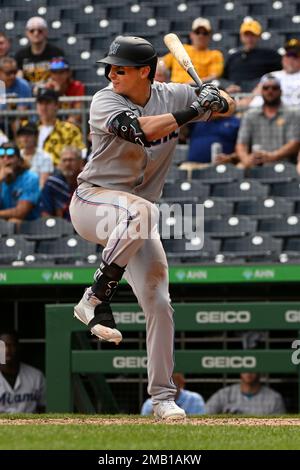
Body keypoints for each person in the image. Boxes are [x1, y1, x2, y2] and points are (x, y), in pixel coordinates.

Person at [69, 35, 235, 420]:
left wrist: (215, 96)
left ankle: (162, 399)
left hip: (136, 219)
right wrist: (195, 110)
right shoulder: (104, 99)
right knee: (144, 212)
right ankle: (94, 297)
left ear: (145, 72)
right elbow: (141, 130)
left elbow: (231, 104)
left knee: (160, 303)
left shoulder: (174, 94)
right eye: (109, 67)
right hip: (94, 202)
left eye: (120, 68)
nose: (111, 73)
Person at [236, 74, 300, 168]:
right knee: (239, 168)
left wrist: (273, 156)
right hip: (256, 162)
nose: (270, 91)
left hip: (285, 163)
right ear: (261, 91)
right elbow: (241, 144)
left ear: (280, 91)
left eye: (274, 88)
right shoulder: (250, 115)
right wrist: (246, 160)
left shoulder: (292, 114)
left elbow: (294, 143)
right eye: (266, 88)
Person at [223, 19, 282, 93]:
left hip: (258, 95)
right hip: (233, 94)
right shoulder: (233, 57)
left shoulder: (270, 55)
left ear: (259, 36)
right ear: (241, 36)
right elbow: (225, 77)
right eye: (246, 35)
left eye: (253, 35)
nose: (249, 38)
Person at [163, 17, 224, 84]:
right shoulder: (182, 48)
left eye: (205, 33)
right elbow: (162, 64)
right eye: (197, 32)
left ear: (209, 36)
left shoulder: (215, 54)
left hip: (196, 90)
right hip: (174, 88)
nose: (201, 36)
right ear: (191, 35)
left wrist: (194, 83)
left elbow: (213, 76)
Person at [35, 87, 85, 166]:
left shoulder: (70, 130)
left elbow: (79, 155)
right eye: (41, 103)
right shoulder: (30, 130)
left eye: (47, 103)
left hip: (60, 174)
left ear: (56, 105)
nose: (44, 107)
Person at [0, 330, 46, 413]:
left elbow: (44, 408)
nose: (7, 350)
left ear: (18, 347)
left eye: (11, 345)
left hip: (31, 425)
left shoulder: (36, 376)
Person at [249, 39, 300, 108]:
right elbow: (253, 98)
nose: (290, 60)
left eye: (295, 56)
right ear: (283, 58)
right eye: (288, 55)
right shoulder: (270, 76)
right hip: (265, 114)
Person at [15, 16, 64, 88]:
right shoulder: (20, 55)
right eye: (32, 31)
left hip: (49, 93)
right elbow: (18, 79)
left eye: (40, 30)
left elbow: (60, 76)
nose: (36, 33)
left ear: (46, 32)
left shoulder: (56, 53)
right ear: (27, 33)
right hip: (28, 94)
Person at [206, 373, 286, 415]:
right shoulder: (224, 394)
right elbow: (204, 415)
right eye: (245, 367)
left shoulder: (274, 398)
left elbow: (281, 429)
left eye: (252, 367)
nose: (249, 372)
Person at [40, 146, 83, 219]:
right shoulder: (52, 183)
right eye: (64, 160)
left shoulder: (87, 184)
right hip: (58, 227)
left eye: (71, 160)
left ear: (80, 162)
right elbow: (45, 212)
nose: (67, 164)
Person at [0, 142, 40, 222]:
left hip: (30, 225)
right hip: (3, 223)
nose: (5, 160)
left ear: (19, 160)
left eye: (10, 157)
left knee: (14, 221)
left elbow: (20, 212)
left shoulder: (31, 178)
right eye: (2, 157)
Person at [141, 373, 206, 415]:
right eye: (164, 383)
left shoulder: (194, 399)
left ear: (181, 383)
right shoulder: (150, 403)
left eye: (171, 382)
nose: (167, 386)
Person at [46, 57, 85, 126]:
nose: (58, 76)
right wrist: (56, 92)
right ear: (50, 74)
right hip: (53, 124)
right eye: (54, 72)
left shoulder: (77, 86)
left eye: (61, 72)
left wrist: (64, 128)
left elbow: (77, 114)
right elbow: (47, 113)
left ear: (68, 73)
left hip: (71, 124)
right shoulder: (48, 88)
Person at [16, 123, 53, 188]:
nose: (25, 138)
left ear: (36, 137)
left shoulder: (45, 157)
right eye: (22, 135)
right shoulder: (15, 156)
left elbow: (42, 185)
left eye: (29, 134)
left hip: (36, 195)